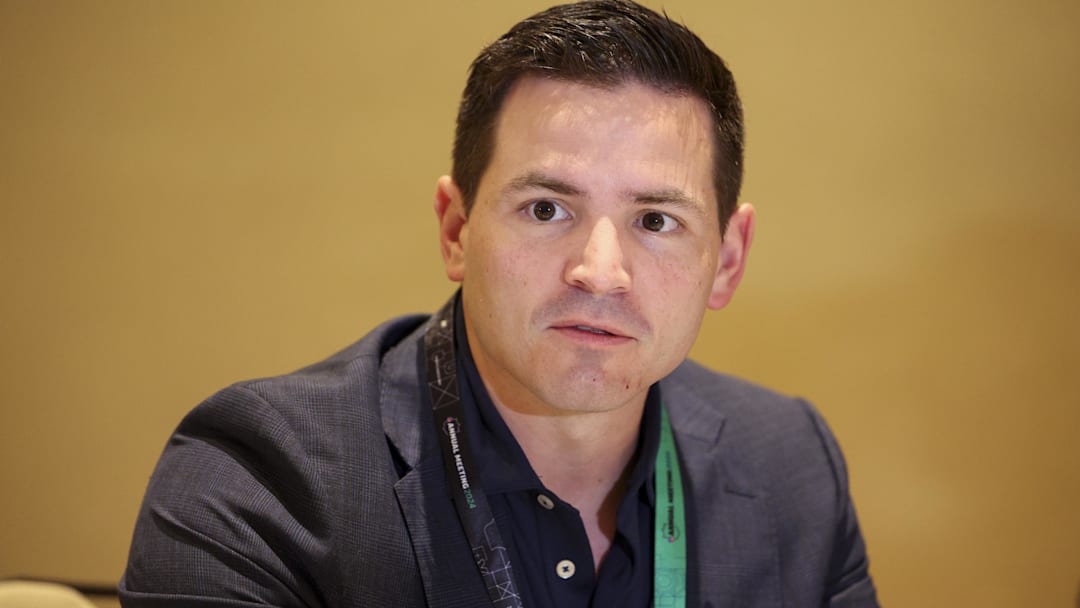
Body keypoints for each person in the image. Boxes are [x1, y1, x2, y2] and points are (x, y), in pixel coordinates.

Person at [120, 1, 878, 606]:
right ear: (456, 229)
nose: (600, 272)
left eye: (655, 221)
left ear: (728, 260)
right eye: (547, 208)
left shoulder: (792, 467)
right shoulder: (259, 486)